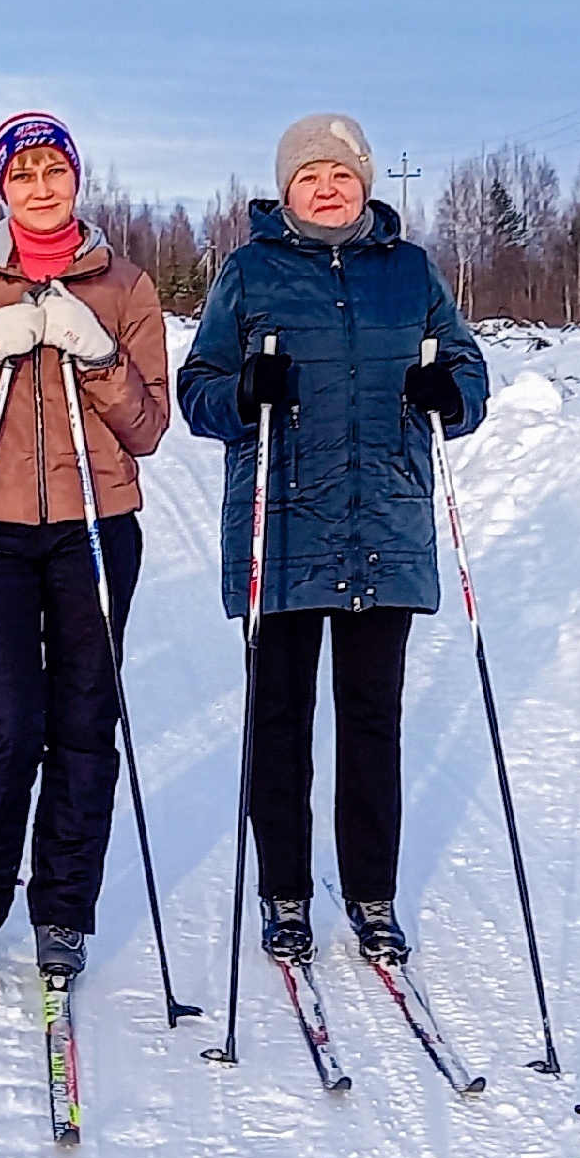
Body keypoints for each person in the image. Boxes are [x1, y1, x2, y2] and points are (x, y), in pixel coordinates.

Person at [178, 113, 489, 967]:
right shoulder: (249, 271)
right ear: (286, 191)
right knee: (279, 720)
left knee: (371, 722)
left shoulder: (412, 271)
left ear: (364, 183)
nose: (326, 188)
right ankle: (284, 892)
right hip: (279, 528)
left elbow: (469, 374)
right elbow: (197, 392)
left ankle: (372, 894)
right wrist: (245, 390)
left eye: (341, 174)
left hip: (383, 526)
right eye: (309, 176)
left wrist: (447, 392)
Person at [0, 111, 170, 984]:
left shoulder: (124, 284)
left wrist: (95, 355)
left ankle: (63, 911)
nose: (42, 189)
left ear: (77, 180)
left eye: (55, 172)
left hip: (95, 524)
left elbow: (150, 425)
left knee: (84, 719)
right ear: (1, 187)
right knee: (4, 723)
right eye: (24, 175)